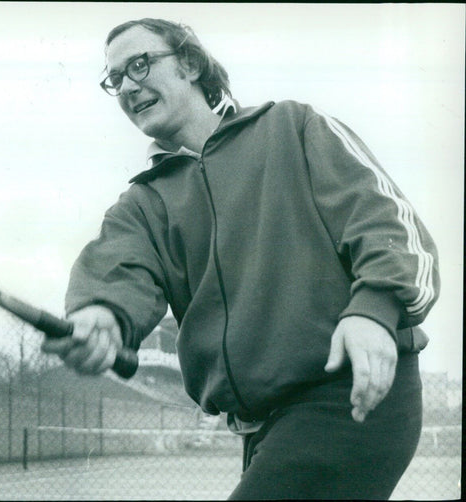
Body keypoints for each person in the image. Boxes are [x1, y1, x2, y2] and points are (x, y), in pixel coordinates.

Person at [42, 18, 440, 499]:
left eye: (140, 64)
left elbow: (391, 227)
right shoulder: (142, 206)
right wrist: (100, 315)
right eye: (115, 79)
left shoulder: (293, 127)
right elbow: (117, 269)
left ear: (190, 63)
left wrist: (375, 311)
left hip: (351, 395)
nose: (128, 86)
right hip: (263, 426)